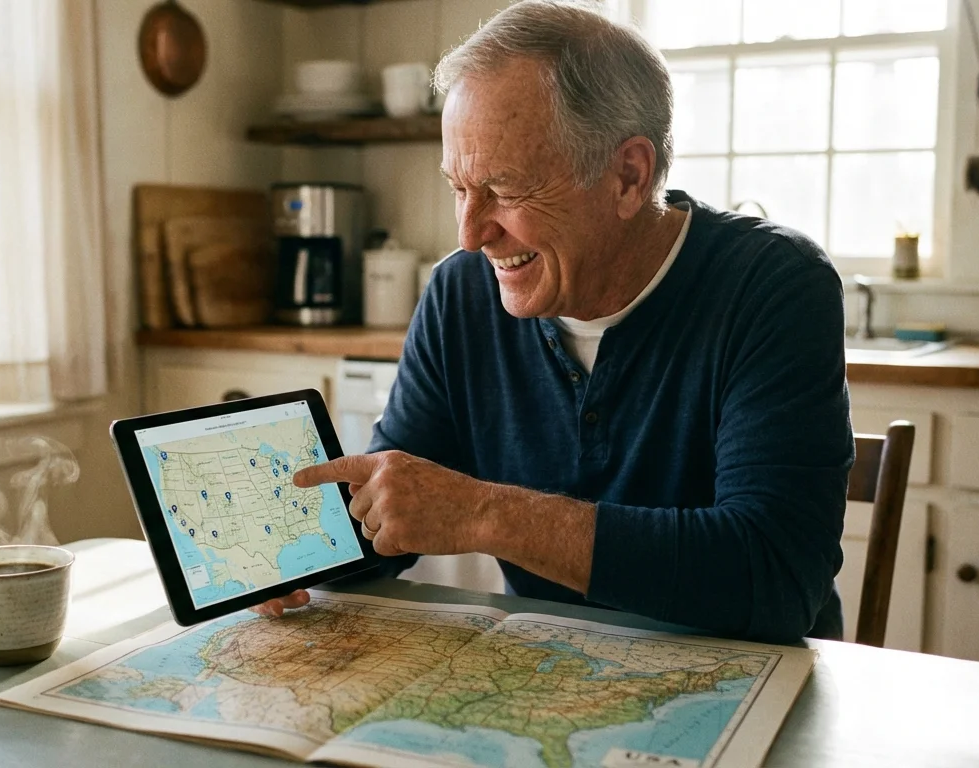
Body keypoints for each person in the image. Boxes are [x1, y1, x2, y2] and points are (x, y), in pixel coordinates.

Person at [254, 0, 853, 644]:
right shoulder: (461, 293)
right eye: (460, 188)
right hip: (551, 670)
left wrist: (485, 513)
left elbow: (775, 581)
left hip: (750, 686)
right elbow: (395, 513)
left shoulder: (774, 285)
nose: (470, 234)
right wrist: (304, 552)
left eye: (506, 190)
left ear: (628, 176)